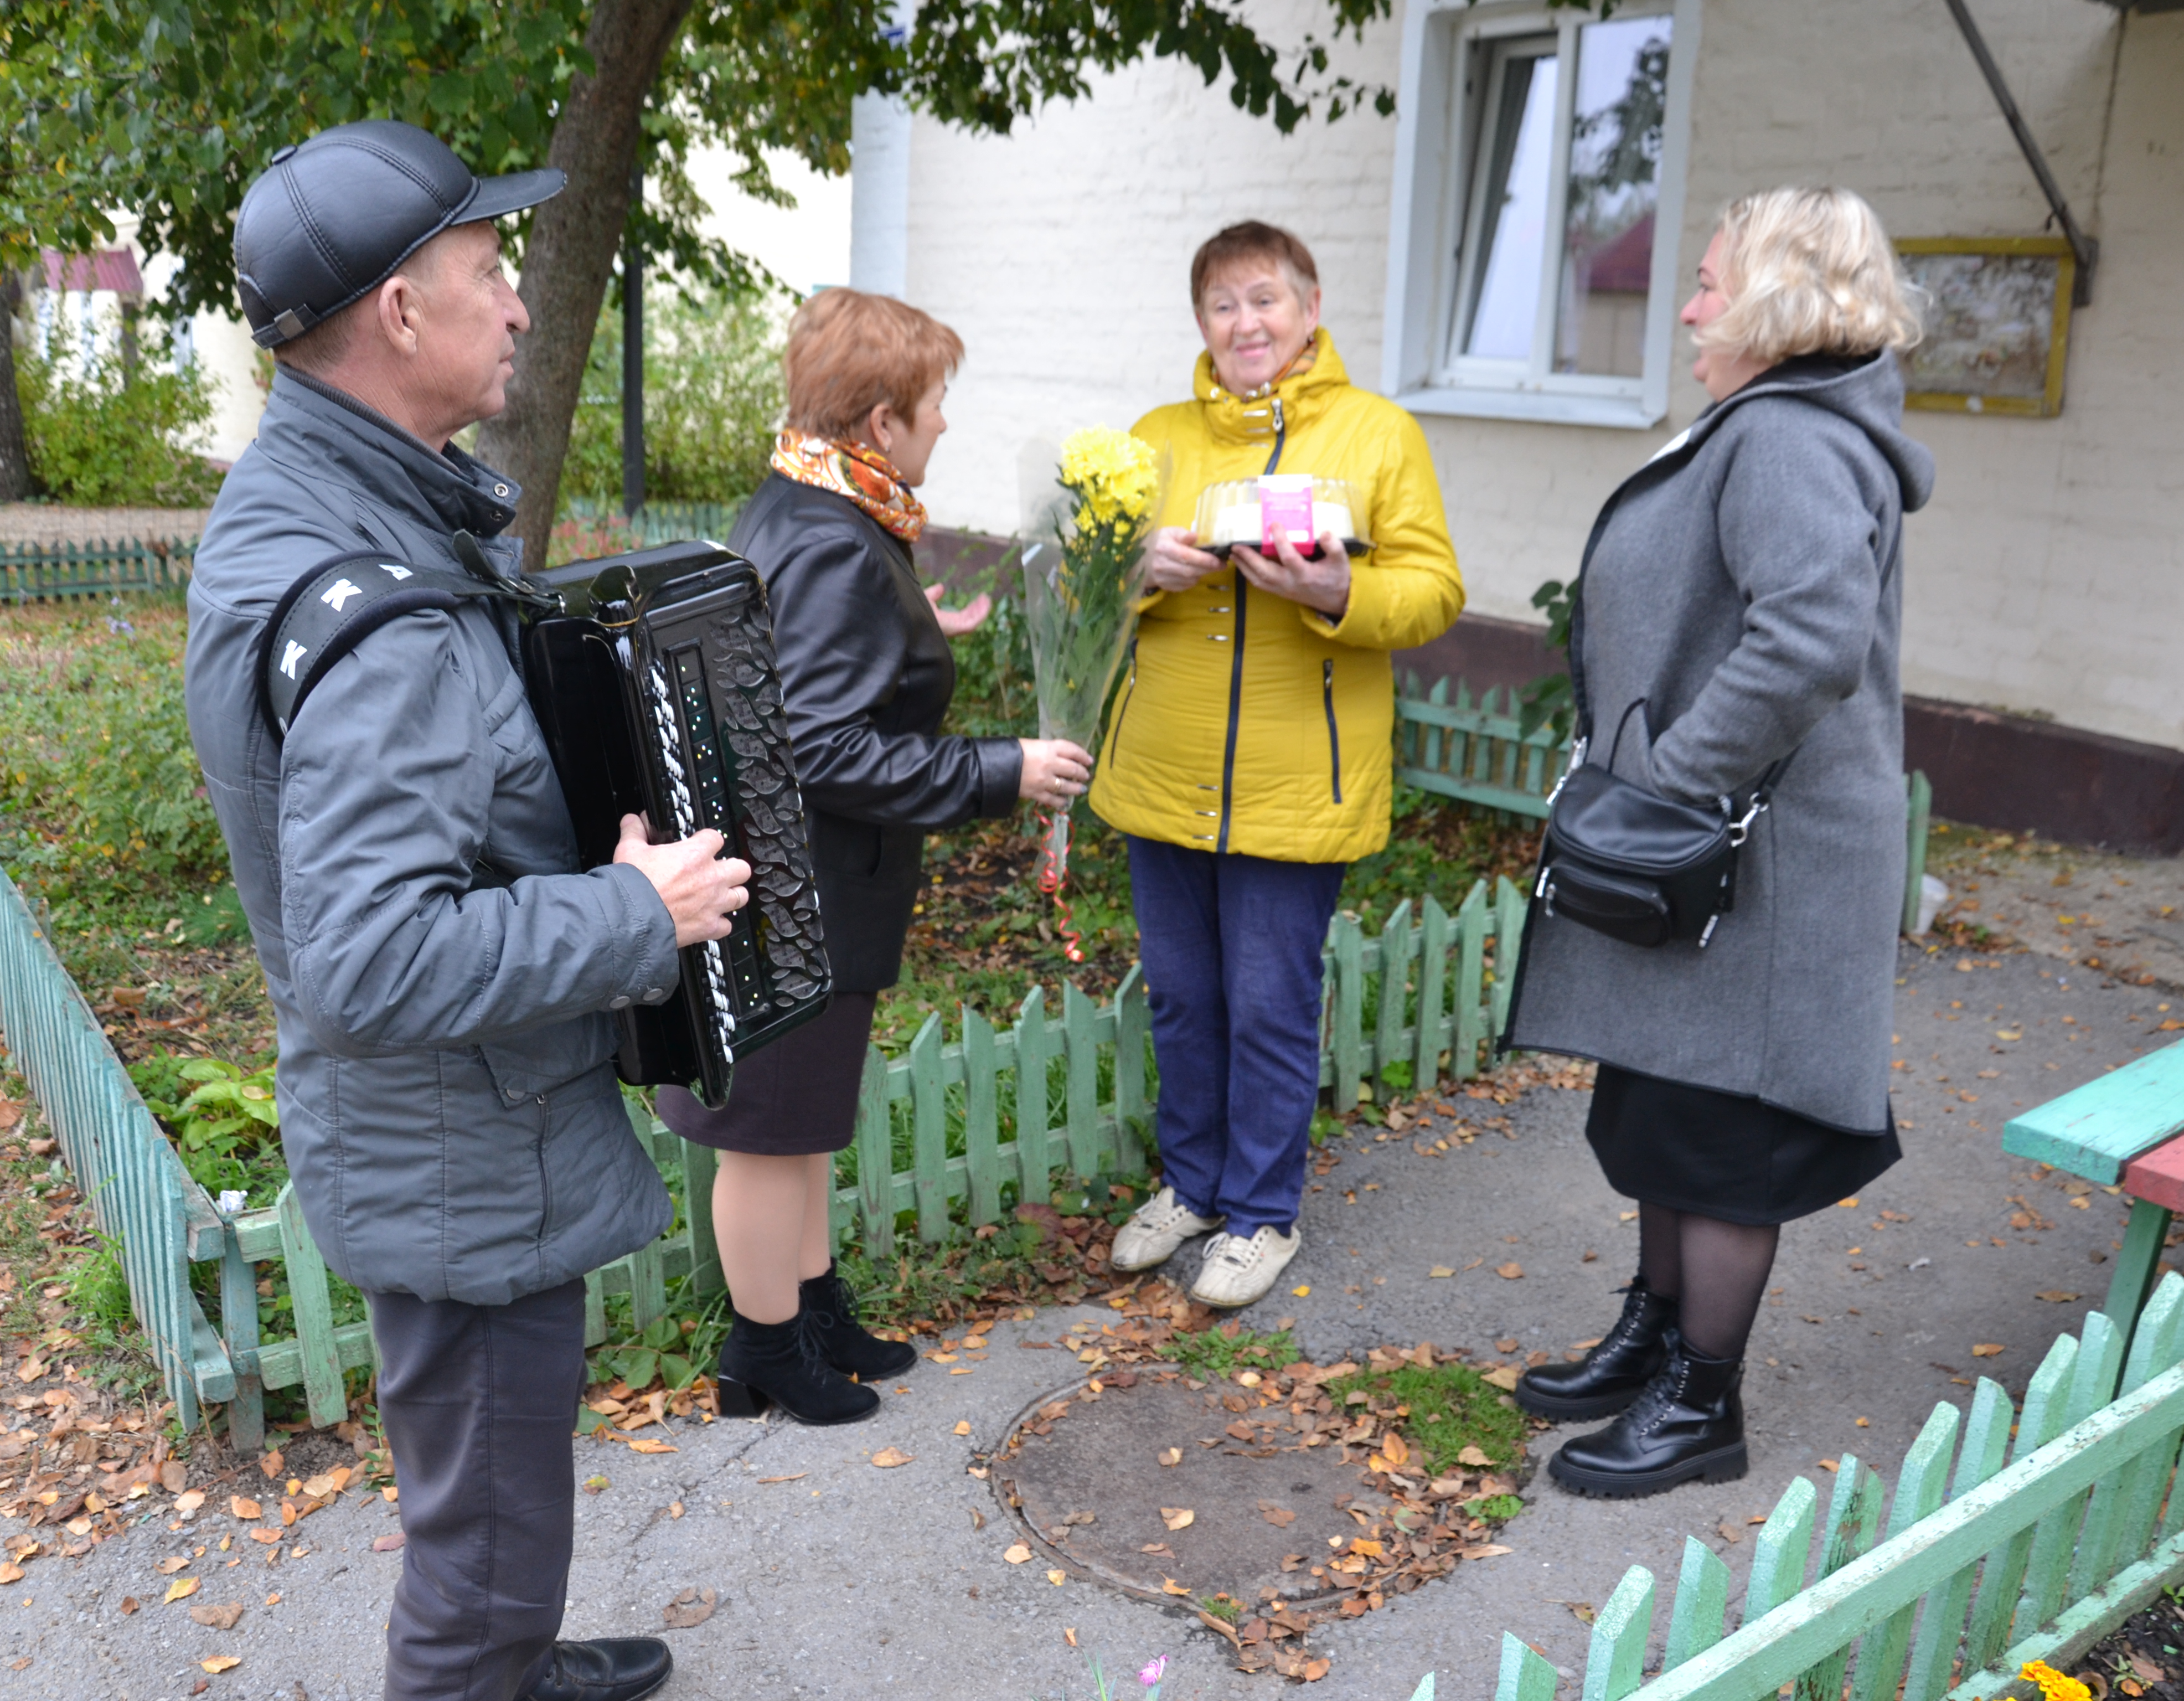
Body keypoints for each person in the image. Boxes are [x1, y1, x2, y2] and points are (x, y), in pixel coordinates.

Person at [184, 121, 749, 1701]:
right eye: (489, 275)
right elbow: (372, 957)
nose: (517, 308)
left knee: (492, 1496)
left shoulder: (313, 505)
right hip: (459, 1151)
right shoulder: (379, 609)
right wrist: (639, 912)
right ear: (396, 314)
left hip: (436, 1131)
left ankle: (513, 1654)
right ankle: (486, 1665)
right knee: (483, 1543)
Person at [1505, 185, 1932, 1499]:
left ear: (1772, 301)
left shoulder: (1793, 441)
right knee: (1664, 1102)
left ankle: (1703, 1403)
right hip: (1726, 856)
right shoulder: (1769, 426)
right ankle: (1655, 1332)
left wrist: (1672, 786)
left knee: (1725, 1138)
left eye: (1704, 280)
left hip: (1764, 865)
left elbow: (1806, 638)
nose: (1685, 304)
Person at [657, 288, 1094, 1421]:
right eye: (936, 402)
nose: (946, 422)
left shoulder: (809, 503)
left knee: (801, 1120)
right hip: (799, 895)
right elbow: (825, 752)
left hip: (803, 891)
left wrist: (912, 632)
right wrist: (1005, 770)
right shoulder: (838, 541)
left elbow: (789, 654)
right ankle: (762, 1353)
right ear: (881, 419)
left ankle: (812, 1310)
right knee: (764, 1136)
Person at [1094, 221, 1465, 1309]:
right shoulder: (1154, 436)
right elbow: (1083, 594)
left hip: (1297, 780)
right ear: (1200, 321)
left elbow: (1435, 590)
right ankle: (1195, 1187)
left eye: (1266, 299)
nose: (1246, 323)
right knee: (1179, 998)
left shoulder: (1379, 432)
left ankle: (1262, 1214)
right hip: (1161, 769)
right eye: (1223, 304)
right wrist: (1134, 566)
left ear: (1310, 307)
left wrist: (1336, 593)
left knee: (1266, 1006)